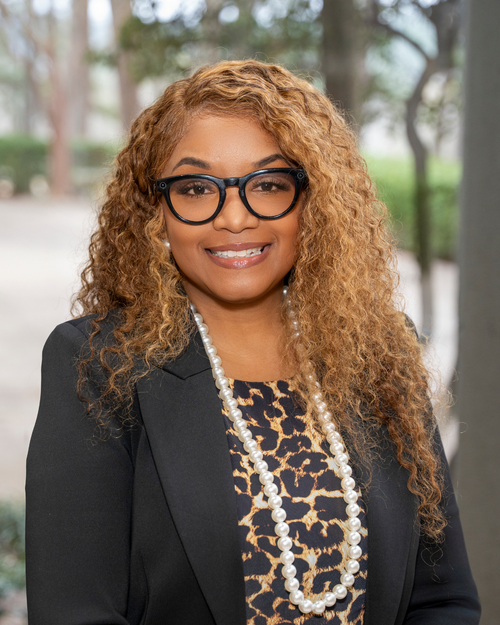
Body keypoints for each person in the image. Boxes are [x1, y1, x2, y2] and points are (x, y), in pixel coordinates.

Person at [26, 60, 480, 625]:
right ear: (154, 212)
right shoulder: (100, 364)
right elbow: (74, 611)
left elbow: (442, 599)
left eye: (268, 184)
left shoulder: (380, 352)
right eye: (196, 189)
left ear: (313, 201)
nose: (235, 218)